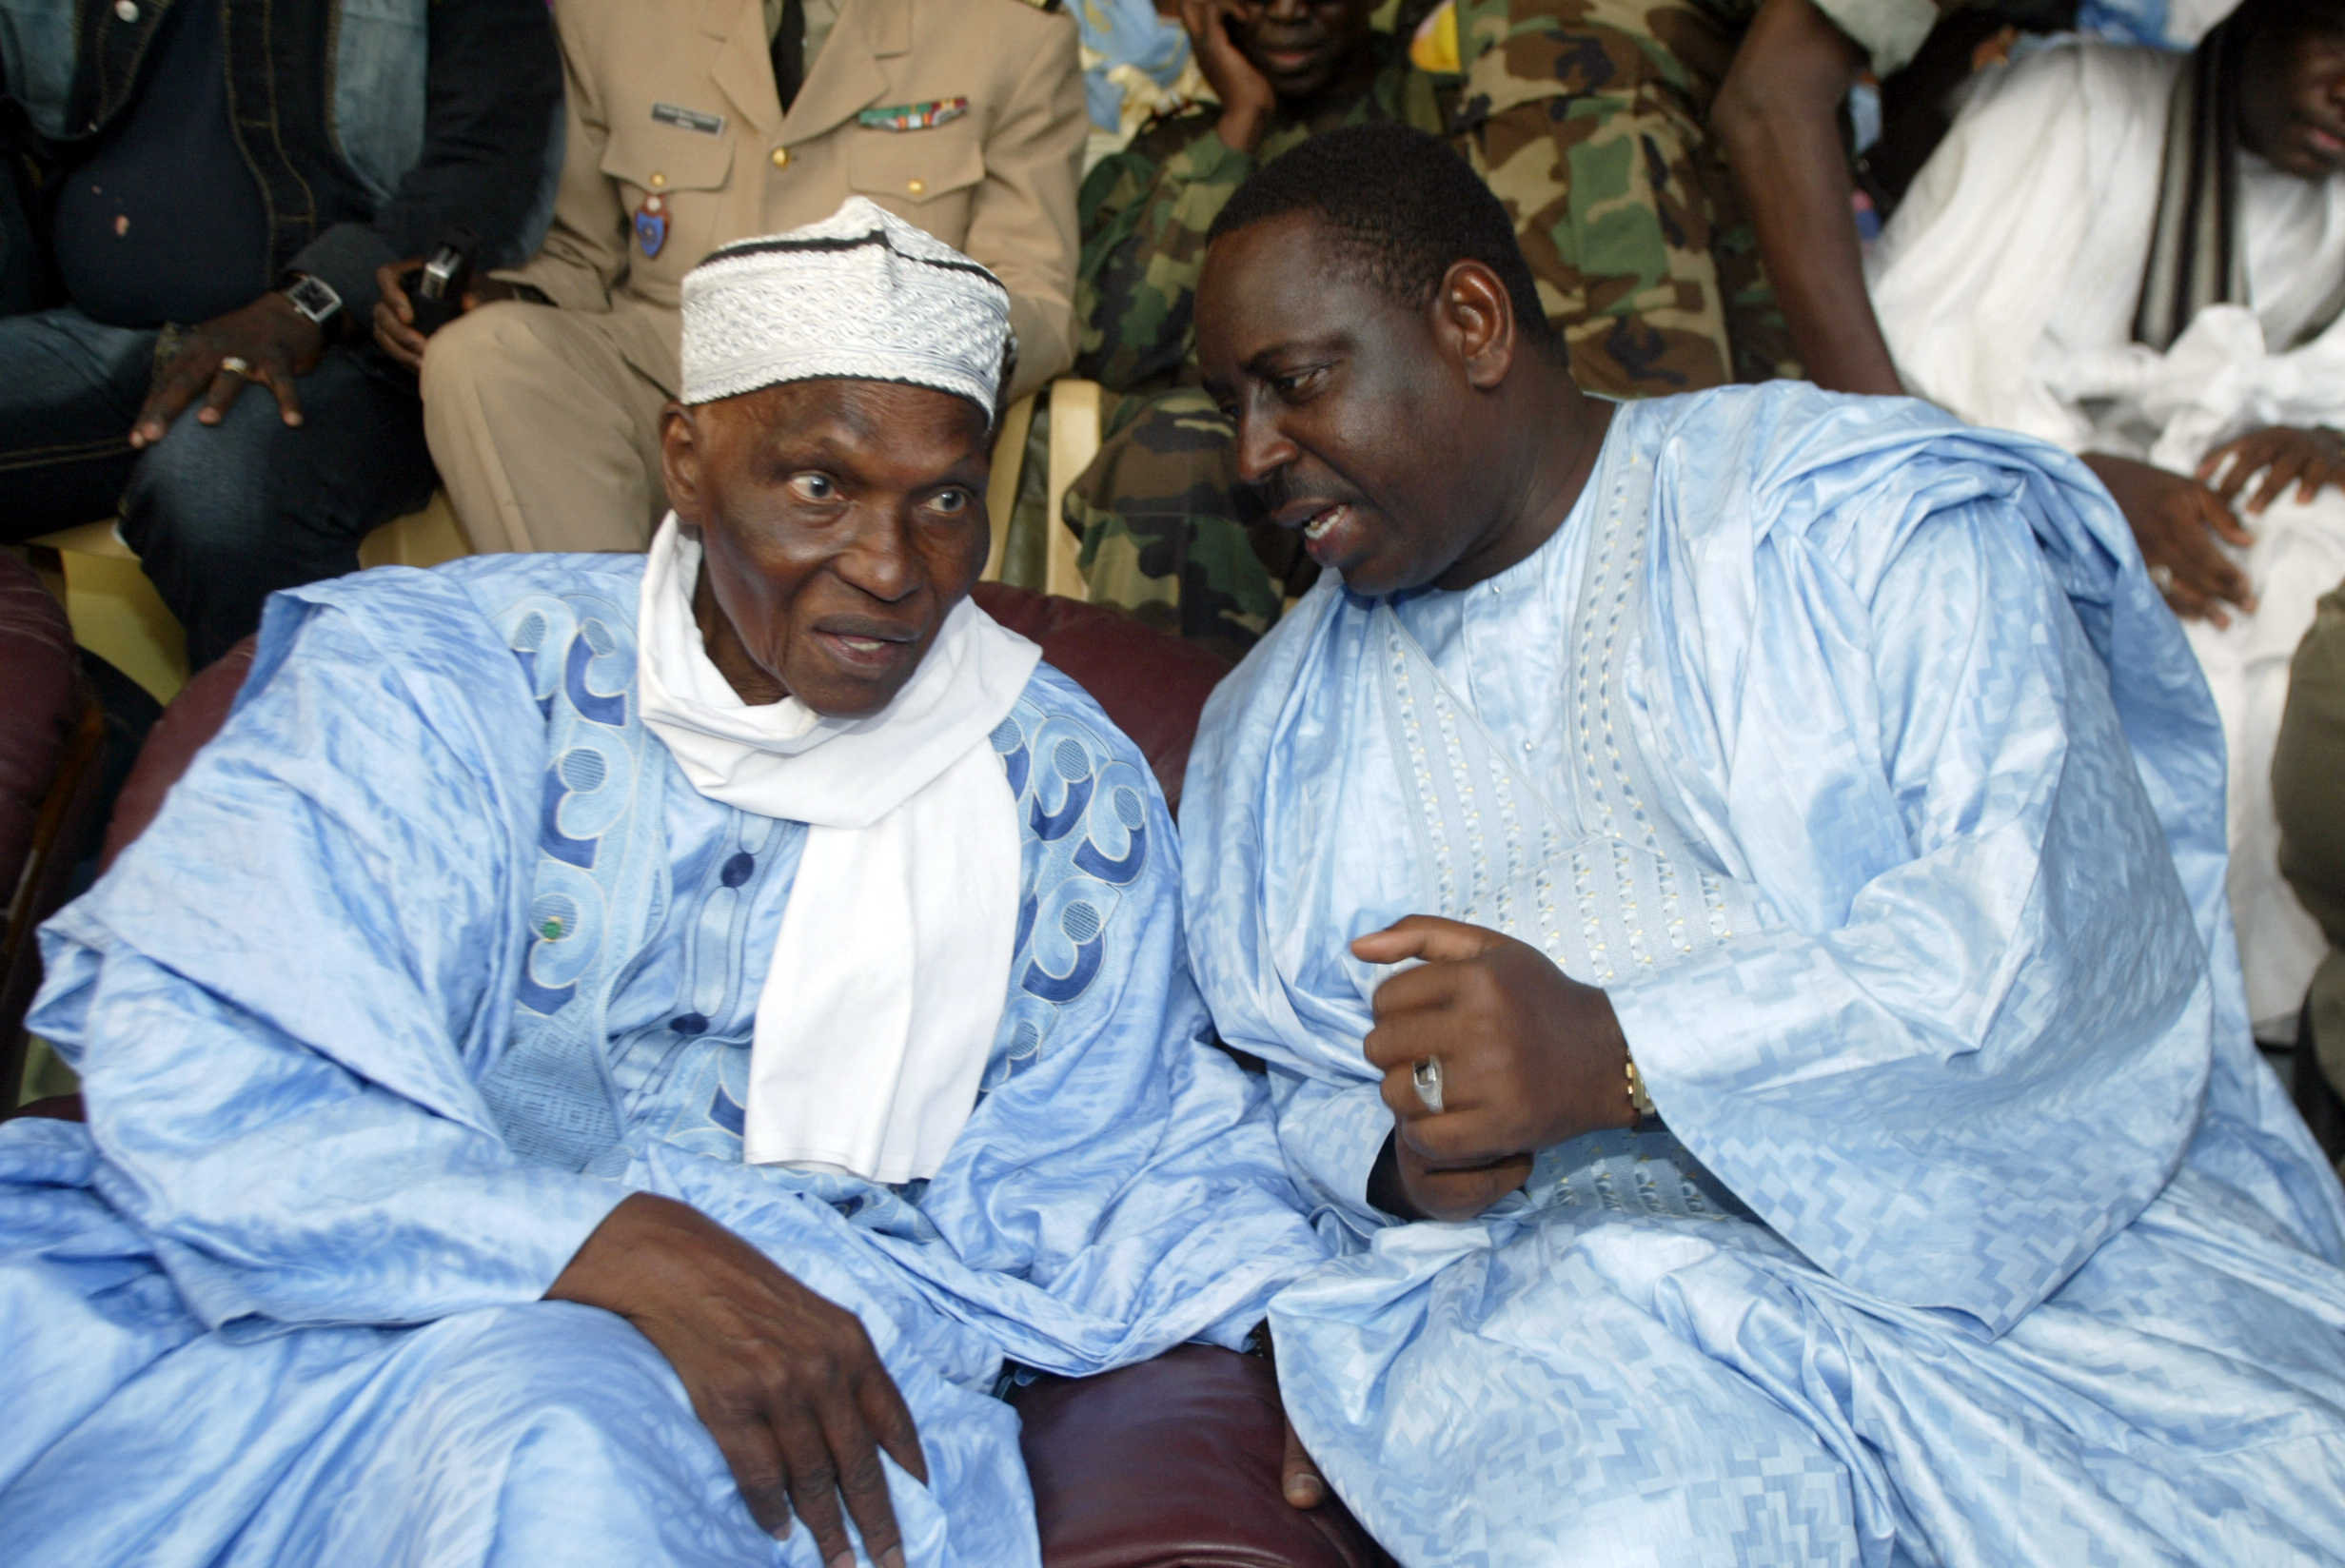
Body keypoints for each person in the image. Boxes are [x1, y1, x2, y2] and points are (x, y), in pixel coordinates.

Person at [0, 200, 1324, 1568]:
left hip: (751, 1349)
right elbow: (221, 1065)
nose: (889, 569)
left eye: (943, 500)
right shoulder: (442, 686)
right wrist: (610, 1241)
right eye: (820, 486)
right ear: (687, 460)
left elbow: (1134, 1139)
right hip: (328, 1277)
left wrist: (1312, 1328)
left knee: (551, 1445)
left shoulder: (1057, 787)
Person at [1180, 124, 2345, 1563]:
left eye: (1294, 385)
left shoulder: (1853, 519)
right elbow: (1262, 1079)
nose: (1253, 456)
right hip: (1585, 1320)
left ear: (1472, 323)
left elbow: (2041, 941)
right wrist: (1403, 1168)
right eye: (1226, 406)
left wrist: (1621, 1053)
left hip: (2056, 1252)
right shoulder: (1268, 738)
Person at [1866, 0, 2345, 1044]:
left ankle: (2252, 1031)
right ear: (2261, 20)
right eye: (2334, 42)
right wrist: (2074, 482)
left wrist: (2329, 440)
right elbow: (1901, 365)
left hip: (2209, 509)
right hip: (1997, 492)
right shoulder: (2070, 107)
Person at [402, 0, 1087, 557]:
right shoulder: (610, 17)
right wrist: (495, 294)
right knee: (485, 354)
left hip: (864, 395)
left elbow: (1035, 298)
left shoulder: (1007, 31)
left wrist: (896, 336)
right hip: (669, 367)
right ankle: (611, 667)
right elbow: (583, 259)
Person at [0, 0, 560, 670]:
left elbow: (487, 170)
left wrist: (311, 301)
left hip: (355, 352)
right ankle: (100, 748)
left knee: (213, 491)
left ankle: (308, 761)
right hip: (95, 329)